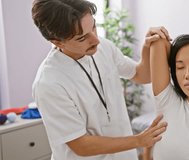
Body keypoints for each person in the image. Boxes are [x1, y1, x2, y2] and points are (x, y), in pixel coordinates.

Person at [31, 0, 169, 159]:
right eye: (82, 38)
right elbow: (81, 145)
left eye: (94, 27)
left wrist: (147, 46)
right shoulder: (48, 83)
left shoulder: (104, 47)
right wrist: (139, 140)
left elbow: (142, 75)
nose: (95, 40)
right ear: (57, 41)